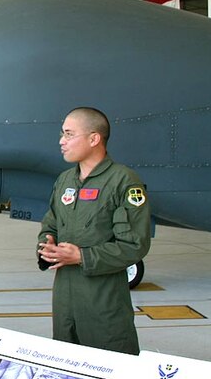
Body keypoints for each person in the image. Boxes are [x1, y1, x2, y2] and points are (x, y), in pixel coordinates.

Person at [37, 107, 151, 355]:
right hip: (65, 301)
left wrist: (81, 257)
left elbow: (135, 245)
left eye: (69, 134)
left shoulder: (123, 181)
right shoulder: (65, 180)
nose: (61, 141)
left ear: (93, 138)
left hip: (104, 302)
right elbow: (51, 223)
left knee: (110, 364)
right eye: (62, 134)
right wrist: (47, 245)